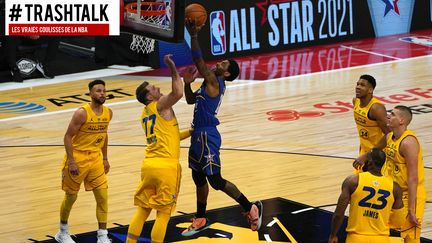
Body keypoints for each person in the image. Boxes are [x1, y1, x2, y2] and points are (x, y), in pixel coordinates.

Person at [180, 19, 263, 237]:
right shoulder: (207, 83)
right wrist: (187, 83)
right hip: (197, 134)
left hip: (207, 135)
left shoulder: (215, 82)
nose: (219, 64)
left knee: (215, 180)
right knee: (198, 177)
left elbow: (199, 61)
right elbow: (190, 101)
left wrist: (194, 35)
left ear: (226, 74)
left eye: (223, 64)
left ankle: (249, 207)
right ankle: (200, 217)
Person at [126, 54, 192, 243]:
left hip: (149, 166)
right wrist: (172, 66)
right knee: (163, 214)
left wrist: (190, 131)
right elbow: (178, 93)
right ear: (149, 96)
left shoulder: (145, 114)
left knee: (143, 209)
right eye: (153, 88)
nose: (157, 87)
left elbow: (171, 136)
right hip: (166, 169)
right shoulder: (160, 105)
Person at [354, 105, 426, 243]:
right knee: (381, 226)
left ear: (402, 121)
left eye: (392, 114)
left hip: (411, 193)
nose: (388, 116)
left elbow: (413, 178)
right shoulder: (389, 137)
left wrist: (411, 209)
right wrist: (364, 157)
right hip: (394, 192)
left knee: (410, 236)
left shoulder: (408, 143)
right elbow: (375, 149)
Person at [55, 80, 113, 243]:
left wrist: (106, 157)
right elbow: (67, 136)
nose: (102, 93)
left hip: (95, 159)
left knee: (102, 196)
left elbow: (104, 134)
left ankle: (102, 235)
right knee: (71, 197)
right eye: (98, 91)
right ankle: (62, 232)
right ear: (90, 94)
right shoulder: (82, 113)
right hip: (78, 158)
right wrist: (71, 161)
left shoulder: (109, 112)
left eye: (104, 90)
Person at [329, 148, 404, 243]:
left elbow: (339, 213)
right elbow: (399, 221)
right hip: (381, 238)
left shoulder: (353, 181)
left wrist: (333, 235)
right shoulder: (395, 188)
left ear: (370, 162)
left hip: (356, 238)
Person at [352, 74, 389, 173]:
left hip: (379, 155)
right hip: (365, 152)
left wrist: (368, 155)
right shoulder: (355, 101)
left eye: (362, 85)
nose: (358, 87)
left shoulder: (376, 108)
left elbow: (389, 135)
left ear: (370, 90)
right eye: (358, 84)